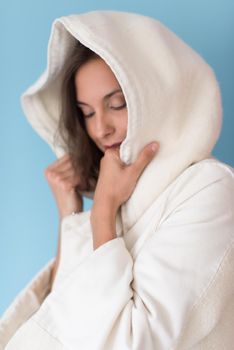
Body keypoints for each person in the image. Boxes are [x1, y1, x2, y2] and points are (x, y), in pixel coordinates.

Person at [0, 9, 234, 350]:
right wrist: (72, 215)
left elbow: (133, 342)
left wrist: (103, 211)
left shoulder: (210, 191)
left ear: (158, 95)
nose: (100, 129)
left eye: (118, 104)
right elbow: (63, 321)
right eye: (87, 112)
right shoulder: (123, 198)